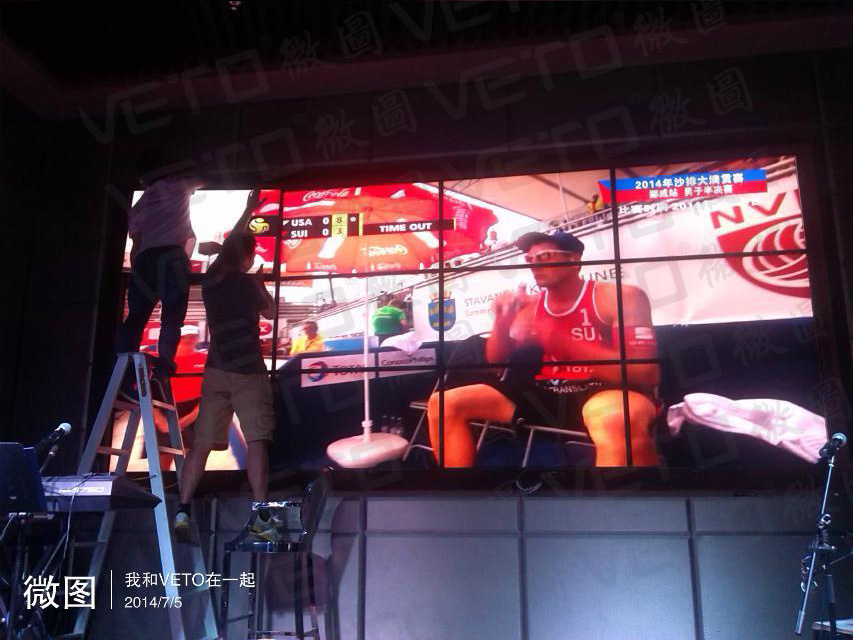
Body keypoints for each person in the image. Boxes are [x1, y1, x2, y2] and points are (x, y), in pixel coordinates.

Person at [426, 230, 660, 468]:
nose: (534, 265)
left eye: (545, 256)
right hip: (546, 393)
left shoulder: (619, 296)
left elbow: (645, 373)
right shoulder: (531, 305)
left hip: (605, 391)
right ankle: (459, 489)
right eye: (530, 259)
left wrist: (560, 341)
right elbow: (496, 364)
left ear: (574, 260)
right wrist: (502, 324)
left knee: (616, 419)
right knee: (443, 403)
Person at [173, 190, 282, 543]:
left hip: (216, 371)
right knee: (257, 441)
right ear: (248, 256)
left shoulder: (212, 281)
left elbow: (233, 243)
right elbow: (271, 313)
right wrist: (260, 283)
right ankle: (261, 517)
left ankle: (182, 509)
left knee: (201, 445)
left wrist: (248, 210)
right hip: (248, 371)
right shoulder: (249, 284)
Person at [116, 150, 204, 375]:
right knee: (172, 318)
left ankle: (124, 361)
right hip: (173, 258)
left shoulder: (137, 208)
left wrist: (137, 273)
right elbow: (205, 178)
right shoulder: (178, 185)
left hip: (145, 260)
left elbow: (136, 245)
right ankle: (165, 364)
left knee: (136, 317)